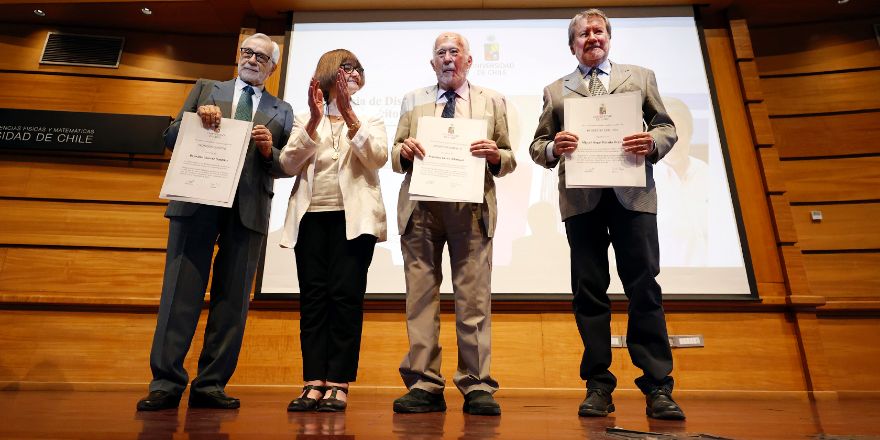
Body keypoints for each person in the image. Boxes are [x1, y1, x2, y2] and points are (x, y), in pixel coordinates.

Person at [529, 9, 686, 420]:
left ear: (609, 38)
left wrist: (650, 142)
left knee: (643, 288)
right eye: (583, 34)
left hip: (633, 196)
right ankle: (598, 385)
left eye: (598, 31)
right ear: (572, 45)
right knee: (589, 293)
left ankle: (657, 387)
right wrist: (552, 148)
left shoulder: (640, 76)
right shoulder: (555, 90)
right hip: (582, 203)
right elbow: (537, 145)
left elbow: (666, 127)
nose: (592, 37)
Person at [136, 33, 294, 411]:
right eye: (247, 53)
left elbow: (285, 165)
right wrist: (195, 119)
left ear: (272, 68)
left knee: (233, 299)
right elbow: (170, 136)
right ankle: (165, 381)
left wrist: (269, 150)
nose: (252, 60)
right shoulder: (206, 89)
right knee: (179, 293)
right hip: (196, 202)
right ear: (239, 56)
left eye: (261, 57)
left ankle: (211, 384)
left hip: (249, 208)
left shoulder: (282, 109)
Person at [390, 32, 516, 416]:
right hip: (422, 210)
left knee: (473, 299)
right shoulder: (413, 100)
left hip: (471, 209)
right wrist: (405, 152)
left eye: (454, 52)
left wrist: (496, 155)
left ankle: (476, 383)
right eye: (441, 53)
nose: (448, 59)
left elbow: (508, 158)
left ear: (468, 61)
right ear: (433, 64)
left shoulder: (492, 100)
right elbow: (395, 155)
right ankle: (425, 383)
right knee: (421, 299)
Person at [278, 49, 388, 413]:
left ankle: (338, 383)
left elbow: (376, 158)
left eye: (357, 68)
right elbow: (289, 163)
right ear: (328, 75)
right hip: (311, 219)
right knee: (313, 299)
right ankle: (313, 381)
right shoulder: (302, 117)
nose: (353, 73)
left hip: (353, 222)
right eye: (345, 68)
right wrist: (312, 120)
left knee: (345, 298)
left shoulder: (370, 117)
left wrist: (351, 115)